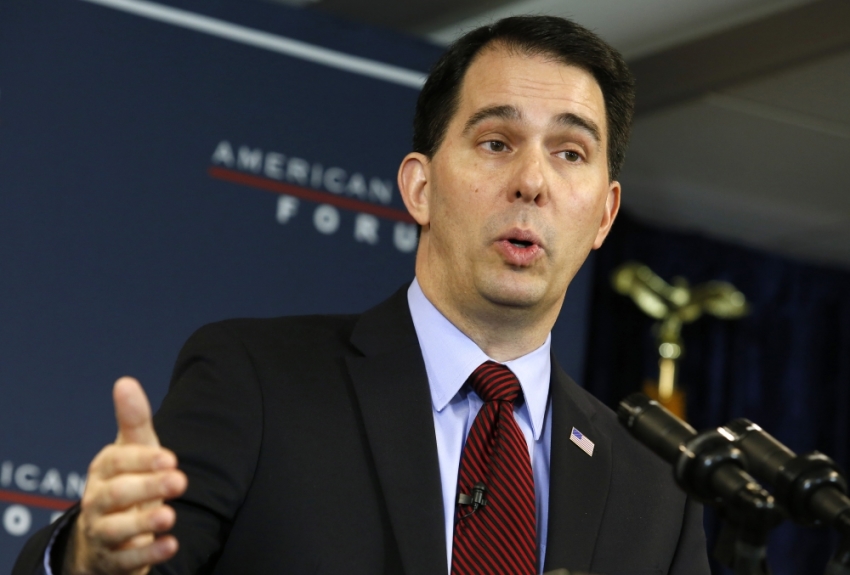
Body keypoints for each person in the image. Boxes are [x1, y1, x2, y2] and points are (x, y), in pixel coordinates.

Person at [15, 15, 710, 575]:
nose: (533, 181)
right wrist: (88, 561)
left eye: (570, 153)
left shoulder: (656, 491)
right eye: (496, 142)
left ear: (605, 215)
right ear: (420, 187)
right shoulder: (256, 380)